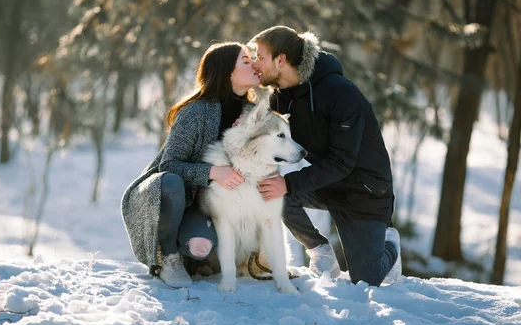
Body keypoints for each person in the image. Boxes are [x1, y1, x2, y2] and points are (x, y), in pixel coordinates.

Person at [249, 26, 402, 286]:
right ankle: (321, 253)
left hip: (364, 191)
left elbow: (342, 161)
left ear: (281, 60)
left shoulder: (340, 93)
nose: (255, 63)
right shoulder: (284, 95)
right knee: (275, 195)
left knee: (367, 278)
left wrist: (288, 183)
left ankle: (390, 245)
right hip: (330, 182)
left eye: (260, 56)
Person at [121, 42, 260, 288]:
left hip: (213, 204)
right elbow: (169, 165)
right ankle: (169, 256)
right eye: (246, 61)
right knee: (175, 186)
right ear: (227, 72)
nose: (254, 65)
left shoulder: (253, 113)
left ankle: (193, 255)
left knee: (201, 246)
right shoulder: (196, 111)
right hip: (175, 196)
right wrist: (212, 172)